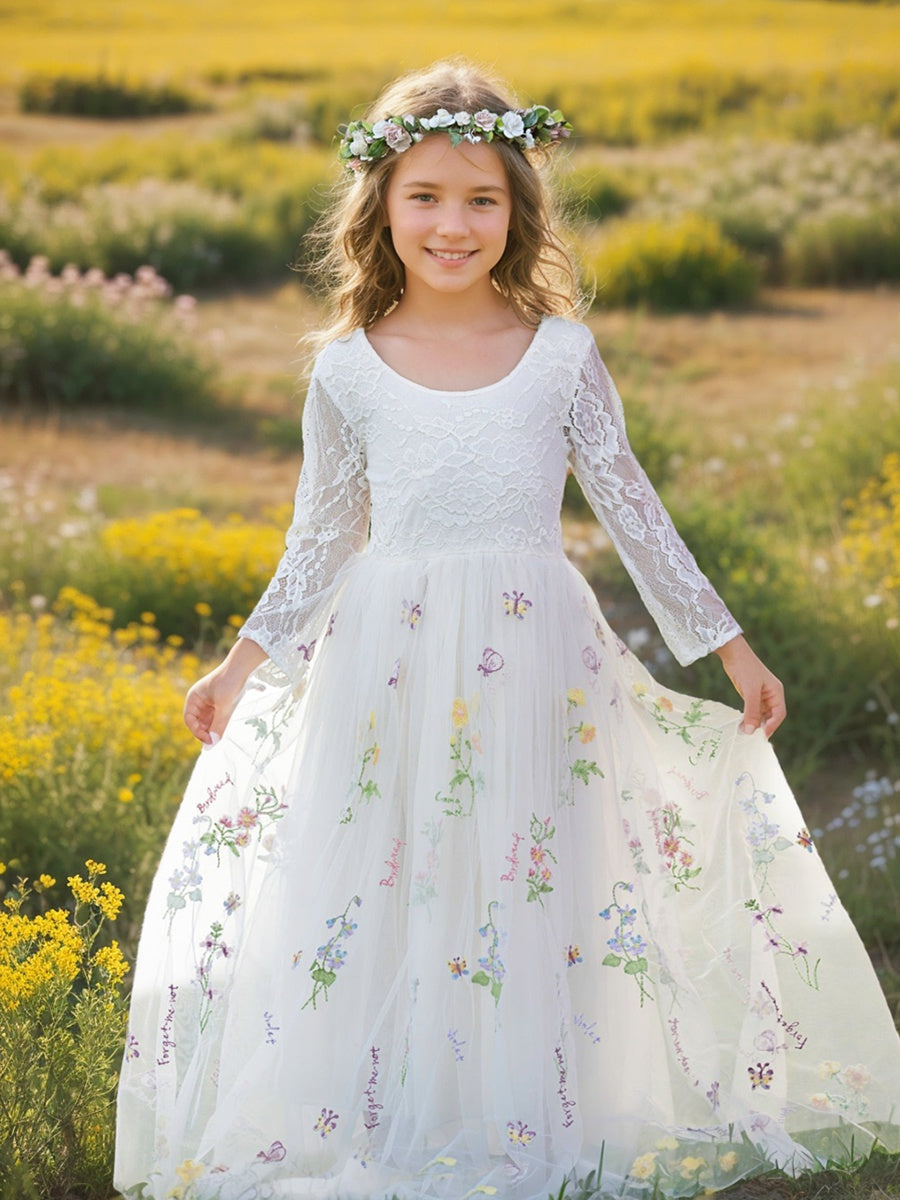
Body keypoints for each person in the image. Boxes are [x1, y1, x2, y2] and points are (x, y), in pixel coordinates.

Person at [115, 59, 900, 1200]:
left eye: (483, 199)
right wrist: (241, 667)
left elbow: (634, 510)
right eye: (426, 196)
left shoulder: (562, 356)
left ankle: (538, 1108)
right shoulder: (346, 371)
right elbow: (318, 539)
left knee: (536, 869)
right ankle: (395, 1110)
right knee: (394, 873)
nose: (453, 224)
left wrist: (729, 646)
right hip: (386, 660)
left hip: (537, 653)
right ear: (380, 204)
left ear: (519, 211)